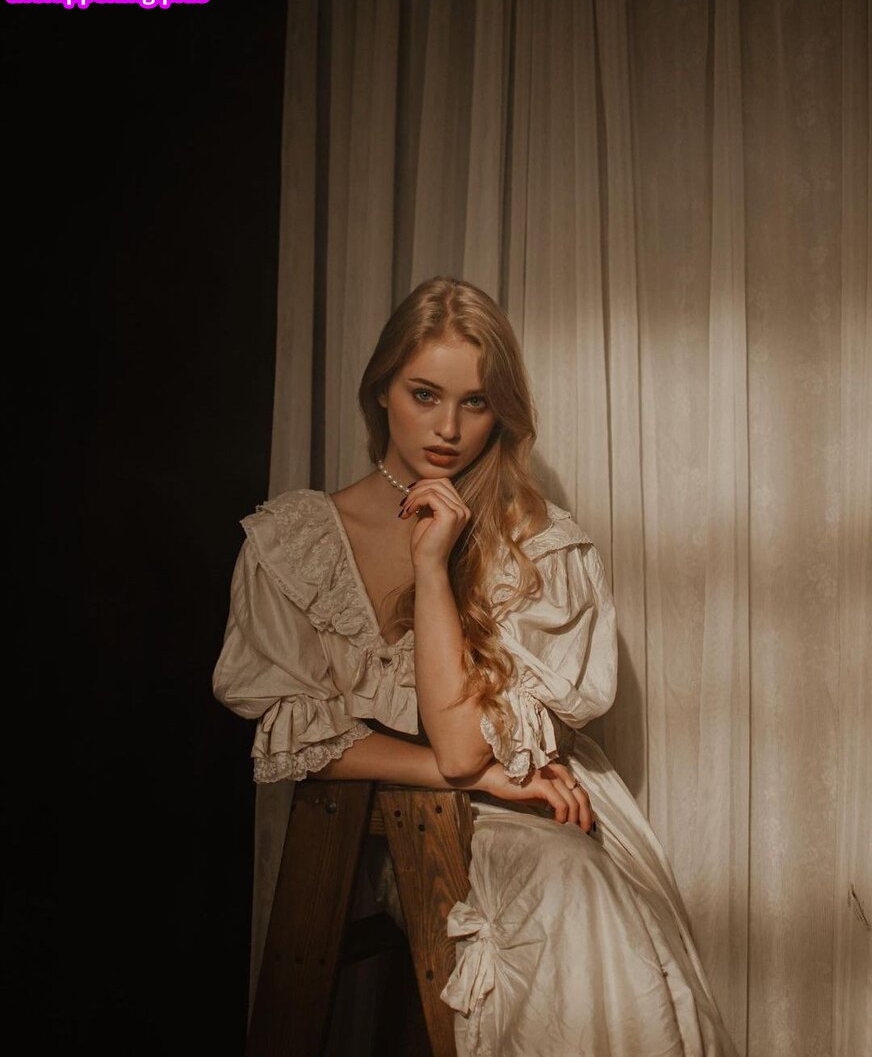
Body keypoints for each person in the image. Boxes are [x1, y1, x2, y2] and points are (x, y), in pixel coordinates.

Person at [213, 276, 740, 1056]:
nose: (449, 429)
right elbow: (316, 742)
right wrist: (482, 775)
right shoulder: (295, 542)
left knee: (573, 887)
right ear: (382, 390)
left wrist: (433, 571)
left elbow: (464, 745)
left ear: (502, 412)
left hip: (536, 809)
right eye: (425, 394)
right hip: (396, 823)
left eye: (476, 403)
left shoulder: (537, 541)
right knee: (566, 892)